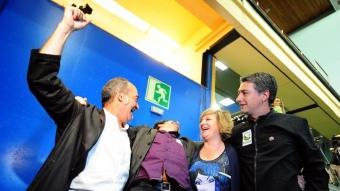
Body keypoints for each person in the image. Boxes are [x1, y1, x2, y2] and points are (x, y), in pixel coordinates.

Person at [27, 6, 139, 190]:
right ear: (121, 97)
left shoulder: (132, 135)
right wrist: (65, 28)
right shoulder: (81, 116)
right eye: (136, 98)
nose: (138, 105)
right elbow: (42, 78)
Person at [231, 72, 329, 191]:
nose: (238, 98)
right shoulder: (236, 132)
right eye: (238, 93)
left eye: (245, 93)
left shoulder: (294, 124)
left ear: (264, 95)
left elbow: (316, 169)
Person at [125, 120, 196, 191]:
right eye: (172, 122)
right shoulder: (145, 132)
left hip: (179, 187)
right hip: (144, 184)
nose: (177, 123)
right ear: (160, 125)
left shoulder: (185, 143)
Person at [189, 108, 239, 191]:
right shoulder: (193, 149)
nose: (202, 123)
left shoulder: (232, 153)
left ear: (220, 124)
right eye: (201, 121)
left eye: (208, 119)